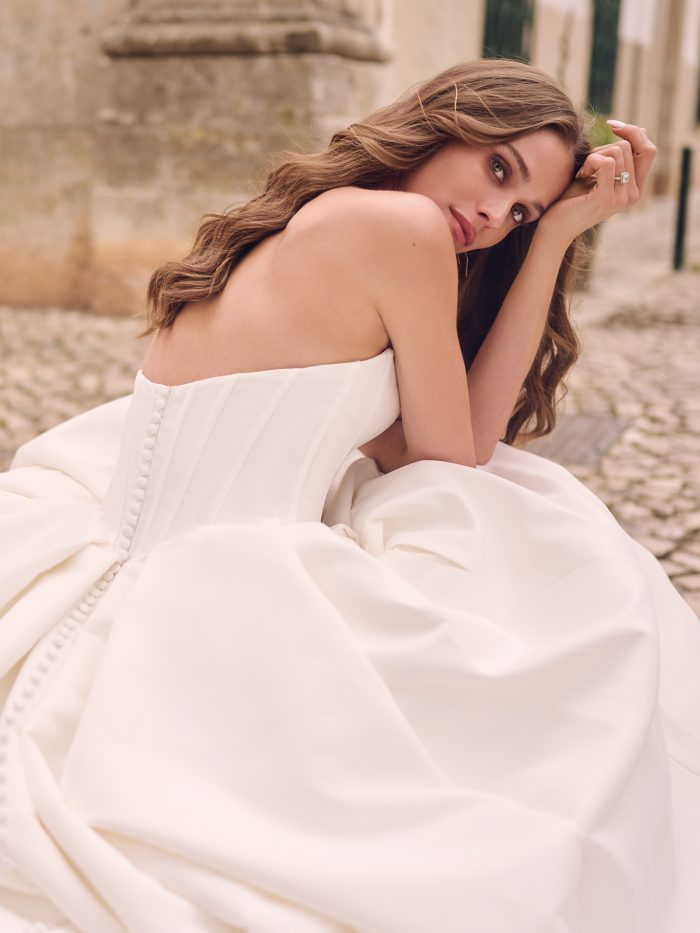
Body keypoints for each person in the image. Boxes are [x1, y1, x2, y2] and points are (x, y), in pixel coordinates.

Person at [0, 58, 697, 933]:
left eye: (521, 212)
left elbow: (422, 445)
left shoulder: (317, 217)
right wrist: (556, 243)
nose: (495, 216)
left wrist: (553, 234)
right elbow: (457, 455)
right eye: (498, 169)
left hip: (132, 555)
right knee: (574, 574)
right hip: (217, 582)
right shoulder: (399, 227)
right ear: (449, 121)